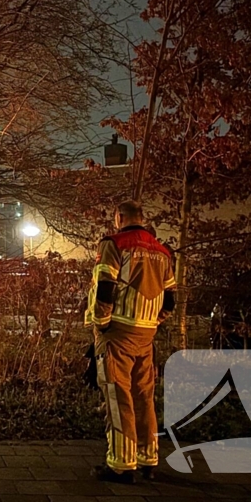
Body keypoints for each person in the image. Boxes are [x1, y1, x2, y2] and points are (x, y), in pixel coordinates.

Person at [85, 200, 176, 484]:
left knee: (117, 396)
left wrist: (101, 325)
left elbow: (105, 288)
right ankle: (148, 459)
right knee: (144, 396)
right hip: (146, 334)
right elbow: (170, 300)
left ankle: (121, 465)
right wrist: (153, 321)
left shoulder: (114, 244)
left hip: (118, 333)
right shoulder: (163, 251)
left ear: (120, 217)